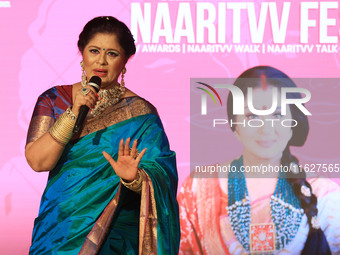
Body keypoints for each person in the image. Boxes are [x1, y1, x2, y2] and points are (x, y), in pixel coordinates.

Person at [25, 16, 180, 254]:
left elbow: (162, 173)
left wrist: (135, 179)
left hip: (114, 235)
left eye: (112, 54)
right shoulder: (54, 100)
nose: (101, 61)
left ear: (125, 61)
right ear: (82, 54)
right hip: (59, 229)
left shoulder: (141, 114)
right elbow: (38, 161)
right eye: (94, 51)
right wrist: (73, 112)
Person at [178, 66, 340, 254]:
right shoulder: (198, 188)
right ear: (234, 124)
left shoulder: (325, 195)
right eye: (252, 116)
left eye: (277, 115)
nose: (266, 128)